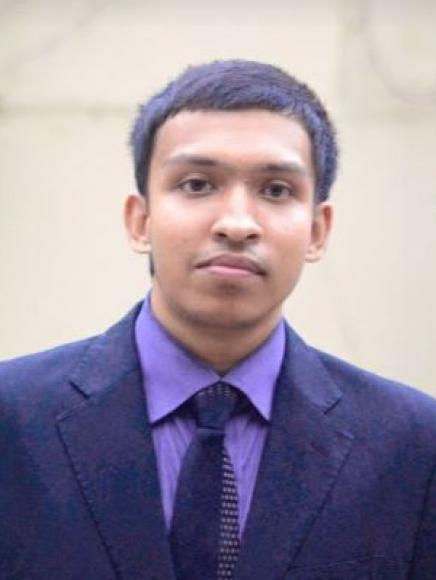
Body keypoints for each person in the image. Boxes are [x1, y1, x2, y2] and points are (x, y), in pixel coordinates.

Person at [1, 60, 435, 580]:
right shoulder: (13, 422)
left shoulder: (412, 445)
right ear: (140, 220)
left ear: (318, 231)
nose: (236, 223)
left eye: (276, 190)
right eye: (197, 184)